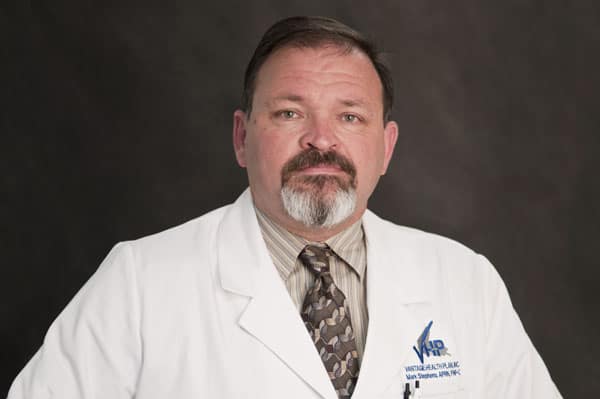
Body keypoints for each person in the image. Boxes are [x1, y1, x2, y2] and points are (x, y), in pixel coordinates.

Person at [8, 16, 561, 399]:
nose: (322, 140)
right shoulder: (138, 283)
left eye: (350, 117)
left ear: (386, 146)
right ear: (242, 137)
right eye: (291, 113)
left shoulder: (465, 281)